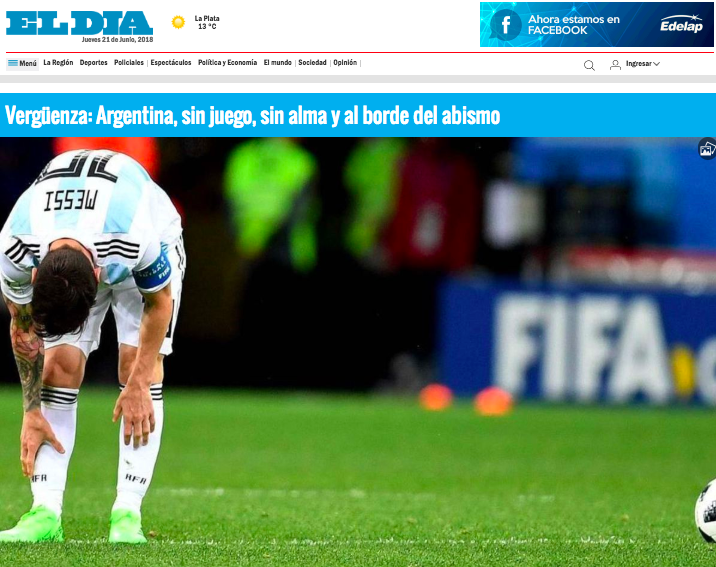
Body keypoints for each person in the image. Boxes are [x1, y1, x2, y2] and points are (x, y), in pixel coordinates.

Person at [0, 149, 185, 544]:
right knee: (57, 367)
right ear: (35, 274)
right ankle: (44, 513)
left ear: (99, 275)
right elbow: (23, 323)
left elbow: (159, 302)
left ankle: (127, 514)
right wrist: (31, 408)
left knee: (136, 366)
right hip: (80, 241)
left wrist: (138, 383)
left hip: (146, 236)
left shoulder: (135, 234)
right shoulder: (15, 243)